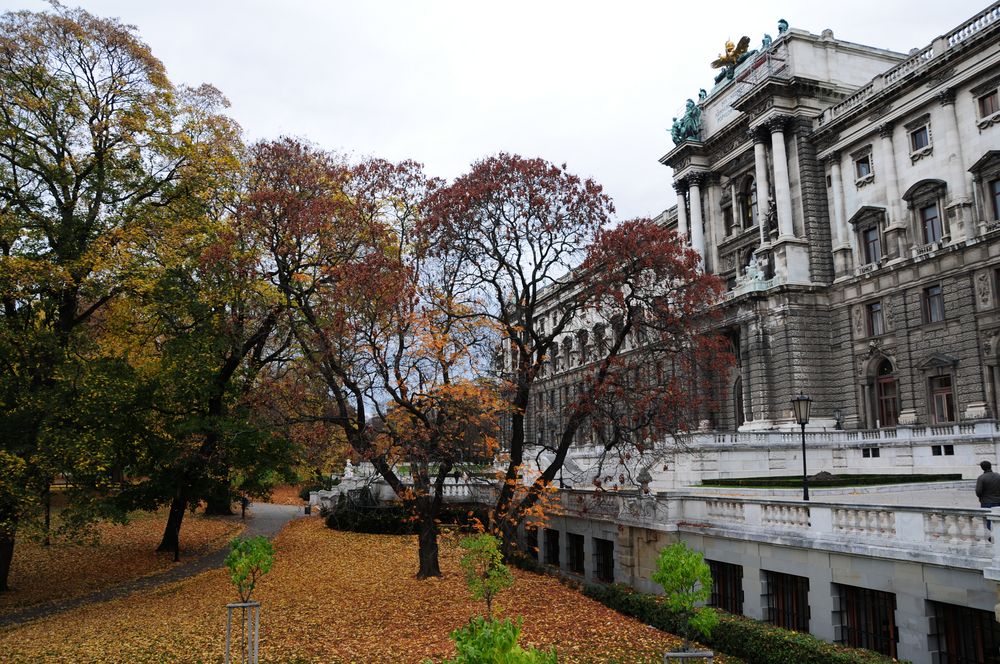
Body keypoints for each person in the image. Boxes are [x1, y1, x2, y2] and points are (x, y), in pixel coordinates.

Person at [976, 460, 1000, 530]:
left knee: (989, 520)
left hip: (986, 502)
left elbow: (978, 492)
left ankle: (990, 537)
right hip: (998, 501)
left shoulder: (981, 478)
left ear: (982, 468)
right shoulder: (998, 476)